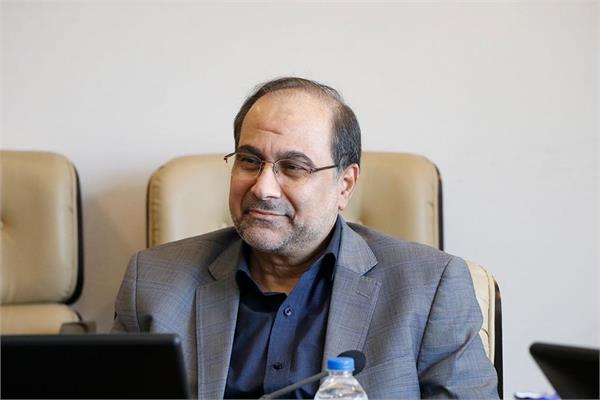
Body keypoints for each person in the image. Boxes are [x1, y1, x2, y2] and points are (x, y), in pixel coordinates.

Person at [112, 77, 499, 399]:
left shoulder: (429, 288)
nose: (263, 188)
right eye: (249, 161)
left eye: (293, 167)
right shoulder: (153, 282)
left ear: (344, 185)